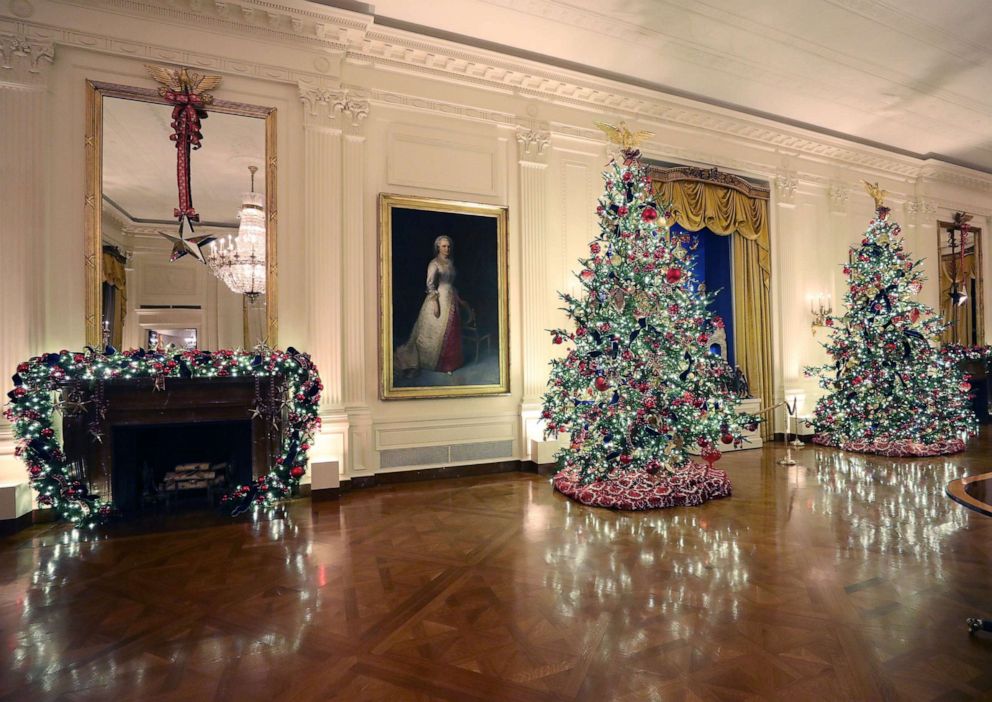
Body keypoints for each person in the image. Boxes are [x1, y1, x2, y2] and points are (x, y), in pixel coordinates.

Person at [395, 235, 469, 376]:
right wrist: (435, 302)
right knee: (436, 332)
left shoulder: (450, 262)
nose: (446, 248)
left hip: (451, 299)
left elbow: (451, 285)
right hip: (439, 298)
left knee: (452, 331)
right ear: (438, 247)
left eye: (448, 246)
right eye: (443, 246)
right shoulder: (434, 263)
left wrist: (459, 299)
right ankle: (437, 364)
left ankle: (451, 363)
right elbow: (430, 284)